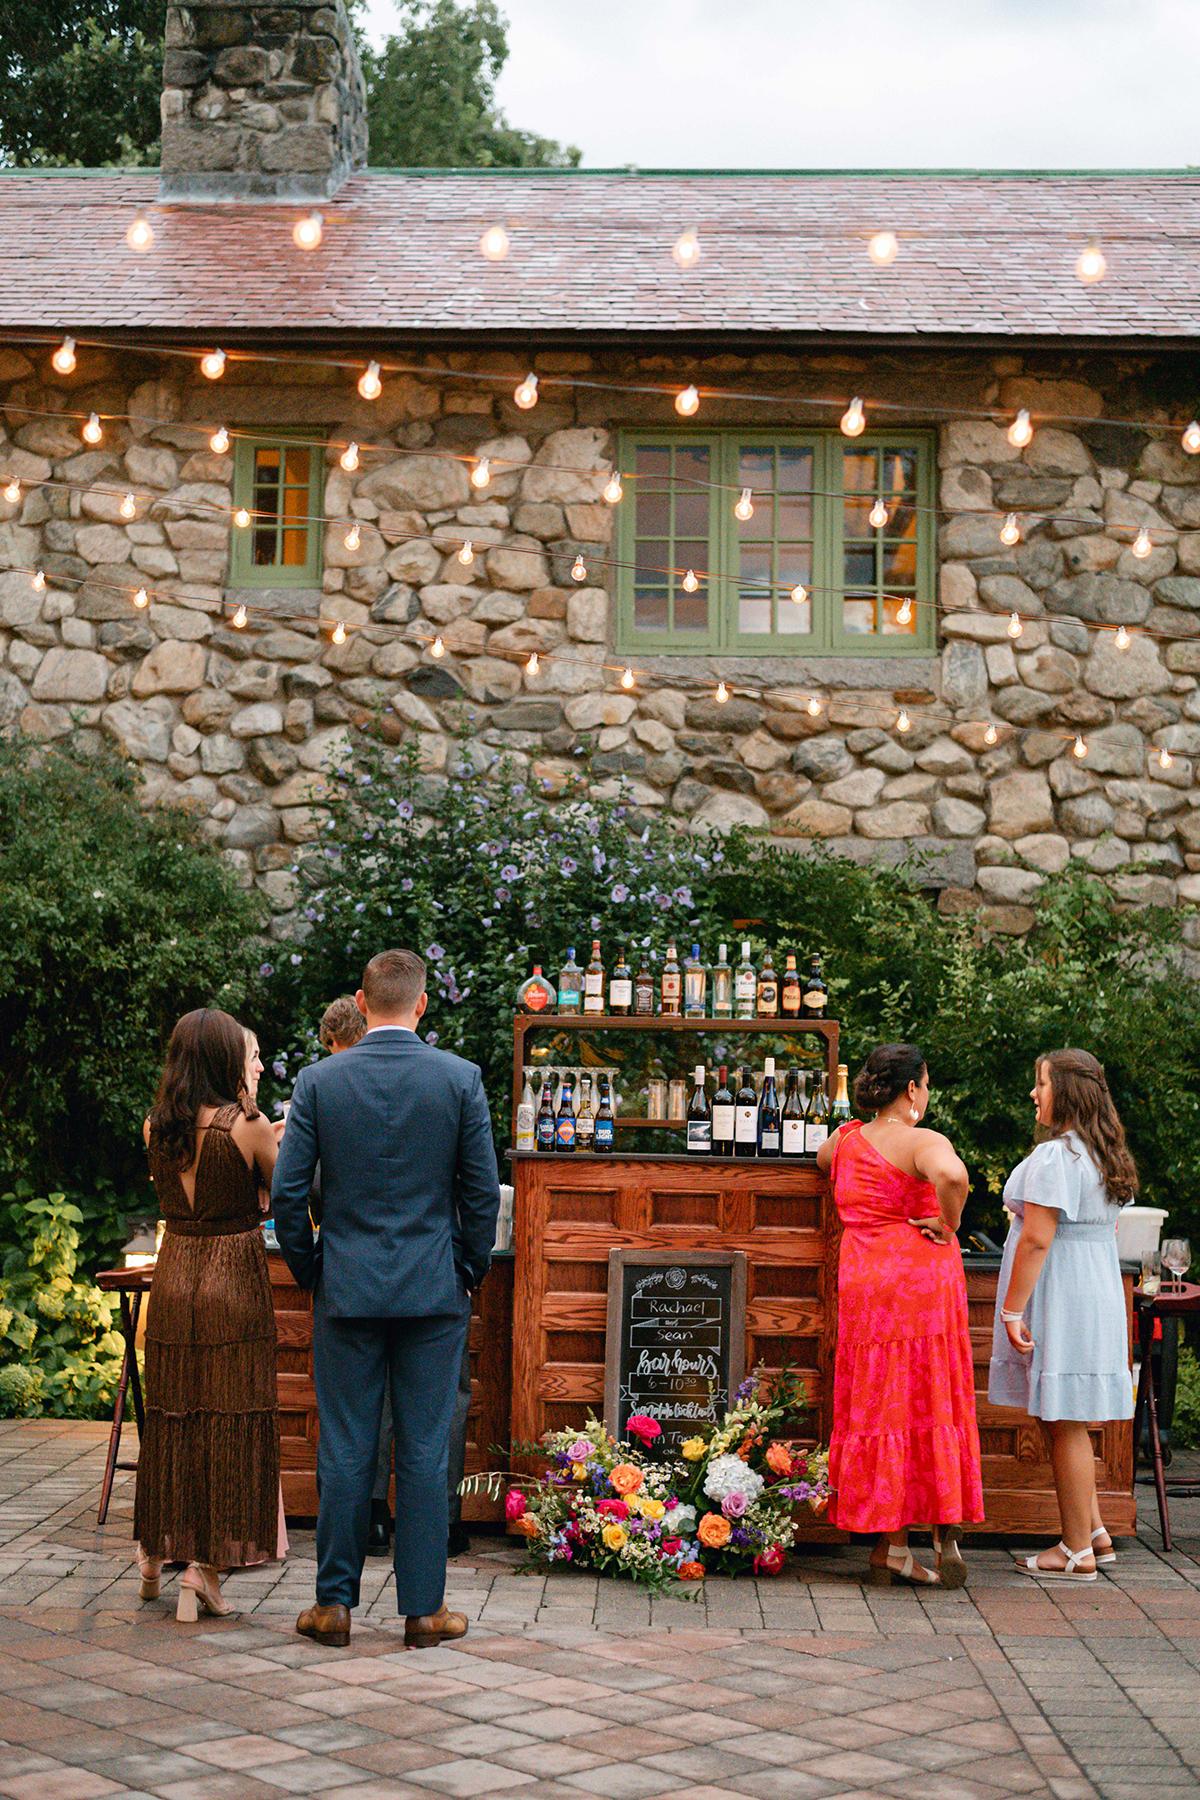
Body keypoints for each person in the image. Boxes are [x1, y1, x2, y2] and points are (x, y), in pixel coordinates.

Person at [272, 949, 500, 1649]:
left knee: (345, 1447)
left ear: (362, 1004)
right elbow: (480, 1193)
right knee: (426, 1450)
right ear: (422, 1005)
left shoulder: (318, 1081)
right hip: (433, 1291)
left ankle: (334, 1605)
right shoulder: (459, 1079)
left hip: (348, 1289)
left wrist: (314, 1271)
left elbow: (288, 1195)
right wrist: (466, 1270)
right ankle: (423, 1610)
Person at [135, 1008, 286, 1621]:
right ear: (225, 1057)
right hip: (233, 1281)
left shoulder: (155, 1127)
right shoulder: (243, 1125)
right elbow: (283, 1193)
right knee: (232, 1419)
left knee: (173, 1417)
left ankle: (153, 1555)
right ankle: (205, 1570)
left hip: (175, 1277)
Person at [817, 1043, 984, 1586]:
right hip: (919, 1278)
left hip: (865, 1281)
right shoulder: (924, 1139)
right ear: (912, 1090)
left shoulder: (844, 1140)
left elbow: (821, 1160)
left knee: (881, 1401)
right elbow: (954, 1178)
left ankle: (890, 1546)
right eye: (927, 1085)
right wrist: (950, 1222)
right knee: (930, 1393)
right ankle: (943, 1523)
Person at [990, 1049, 1136, 1583]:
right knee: (1069, 1413)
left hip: (1063, 1290)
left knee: (1064, 1420)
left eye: (1042, 1083)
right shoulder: (1103, 1153)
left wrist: (1011, 1309)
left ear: (1068, 1093)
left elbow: (1036, 1238)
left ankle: (1075, 1550)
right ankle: (1094, 1529)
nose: (1034, 1094)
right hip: (1094, 1286)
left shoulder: (1057, 1158)